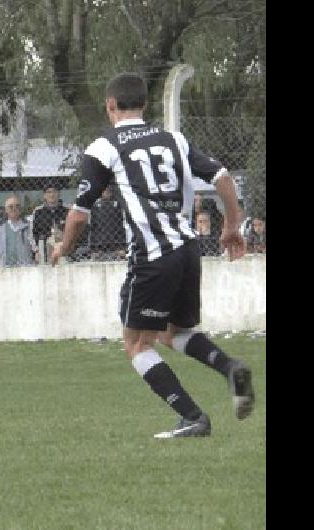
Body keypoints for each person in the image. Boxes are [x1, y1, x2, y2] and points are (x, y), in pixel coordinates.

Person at [50, 72, 255, 439]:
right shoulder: (172, 139)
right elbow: (223, 177)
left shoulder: (104, 147)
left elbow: (80, 212)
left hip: (152, 255)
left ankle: (193, 417)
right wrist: (231, 227)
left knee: (136, 343)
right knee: (172, 332)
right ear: (144, 104)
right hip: (188, 249)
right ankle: (229, 367)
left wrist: (63, 247)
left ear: (110, 105)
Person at [0, 196, 36, 267]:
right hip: (5, 271)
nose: (14, 209)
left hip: (25, 270)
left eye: (17, 206)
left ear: (21, 208)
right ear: (6, 210)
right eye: (11, 207)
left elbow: (36, 250)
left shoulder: (29, 227)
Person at [88, 184, 127, 261]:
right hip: (100, 237)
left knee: (121, 252)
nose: (106, 193)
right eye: (104, 191)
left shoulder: (117, 203)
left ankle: (119, 252)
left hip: (116, 236)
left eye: (108, 191)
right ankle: (98, 251)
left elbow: (121, 221)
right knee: (96, 254)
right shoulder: (95, 205)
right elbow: (92, 224)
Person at [31, 186, 68, 253]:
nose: (52, 195)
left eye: (54, 191)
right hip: (43, 250)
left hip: (64, 249)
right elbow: (32, 233)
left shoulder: (67, 210)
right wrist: (36, 251)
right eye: (49, 192)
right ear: (44, 195)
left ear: (59, 194)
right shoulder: (37, 212)